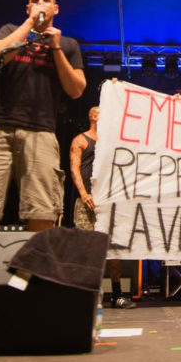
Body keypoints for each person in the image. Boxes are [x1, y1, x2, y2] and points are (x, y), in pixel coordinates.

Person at [0, 0, 86, 232]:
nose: (40, 3)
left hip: (41, 131)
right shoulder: (11, 31)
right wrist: (30, 24)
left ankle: (33, 259)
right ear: (28, 8)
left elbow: (76, 89)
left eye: (46, 0)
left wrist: (56, 48)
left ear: (55, 9)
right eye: (35, 0)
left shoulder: (68, 44)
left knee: (42, 207)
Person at [70, 105, 135, 309]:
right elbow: (74, 168)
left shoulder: (111, 142)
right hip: (87, 202)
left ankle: (117, 294)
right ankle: (87, 294)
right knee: (88, 249)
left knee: (113, 249)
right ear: (93, 117)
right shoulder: (81, 140)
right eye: (101, 112)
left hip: (108, 202)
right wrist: (84, 193)